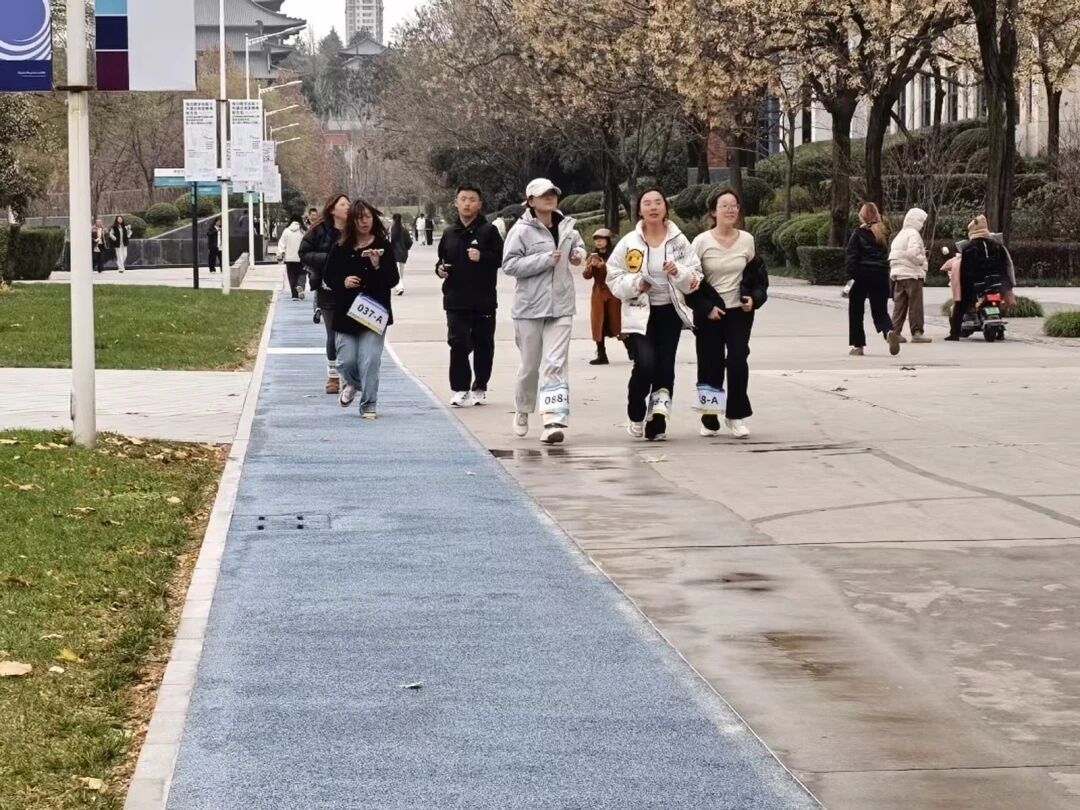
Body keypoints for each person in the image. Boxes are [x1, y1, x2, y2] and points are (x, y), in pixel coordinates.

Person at [606, 188, 702, 441]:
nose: (653, 207)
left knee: (665, 368)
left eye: (658, 202)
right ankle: (636, 411)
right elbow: (613, 277)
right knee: (646, 363)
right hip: (639, 313)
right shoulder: (629, 242)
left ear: (665, 208)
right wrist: (636, 283)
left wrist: (678, 272)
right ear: (640, 210)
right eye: (647, 203)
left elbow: (695, 276)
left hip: (670, 312)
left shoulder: (679, 241)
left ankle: (658, 421)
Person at [502, 178, 586, 444]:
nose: (549, 198)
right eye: (543, 194)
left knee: (555, 363)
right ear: (530, 201)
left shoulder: (567, 226)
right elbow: (510, 265)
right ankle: (523, 408)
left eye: (552, 193)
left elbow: (579, 248)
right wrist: (544, 260)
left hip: (561, 306)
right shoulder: (521, 231)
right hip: (529, 308)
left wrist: (578, 255)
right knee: (529, 367)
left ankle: (553, 419)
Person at [688, 188, 768, 440]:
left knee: (737, 361)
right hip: (710, 313)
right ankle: (710, 417)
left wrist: (754, 299)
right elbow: (689, 282)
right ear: (713, 211)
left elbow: (758, 279)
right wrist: (706, 308)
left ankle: (736, 415)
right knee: (710, 364)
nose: (730, 209)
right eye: (724, 205)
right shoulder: (701, 242)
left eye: (734, 205)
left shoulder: (747, 240)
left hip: (738, 313)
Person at [322, 198, 400, 420]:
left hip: (374, 312)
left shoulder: (383, 246)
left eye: (367, 217)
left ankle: (369, 404)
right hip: (347, 312)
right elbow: (329, 276)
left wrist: (377, 266)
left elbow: (392, 280)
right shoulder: (341, 247)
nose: (364, 221)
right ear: (351, 221)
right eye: (359, 218)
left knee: (370, 360)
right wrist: (343, 282)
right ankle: (353, 383)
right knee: (345, 361)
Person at [436, 185, 504, 407]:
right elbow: (441, 260)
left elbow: (501, 259)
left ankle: (480, 385)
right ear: (455, 203)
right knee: (458, 343)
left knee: (483, 344)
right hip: (455, 299)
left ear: (479, 204)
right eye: (463, 199)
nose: (467, 203)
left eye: (472, 199)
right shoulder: (449, 233)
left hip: (483, 299)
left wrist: (481, 256)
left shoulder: (489, 231)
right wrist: (440, 269)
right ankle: (460, 388)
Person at [300, 194, 351, 395]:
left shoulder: (355, 229)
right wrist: (328, 258)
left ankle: (350, 375)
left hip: (352, 290)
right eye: (343, 204)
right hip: (327, 289)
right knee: (333, 333)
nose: (348, 207)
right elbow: (304, 253)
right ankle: (333, 377)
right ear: (332, 209)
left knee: (350, 334)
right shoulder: (319, 230)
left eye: (349, 203)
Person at [847, 202, 901, 356]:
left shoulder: (857, 234)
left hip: (861, 275)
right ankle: (888, 330)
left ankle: (858, 345)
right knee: (880, 310)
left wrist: (850, 276)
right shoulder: (883, 234)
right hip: (880, 275)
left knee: (856, 311)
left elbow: (851, 258)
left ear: (862, 217)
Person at [948, 215, 1012, 340]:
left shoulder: (968, 248)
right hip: (996, 283)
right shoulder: (998, 246)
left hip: (977, 283)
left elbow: (965, 271)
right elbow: (1004, 266)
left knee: (960, 305)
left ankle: (954, 334)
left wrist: (962, 287)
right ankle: (1000, 332)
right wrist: (1007, 285)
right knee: (998, 301)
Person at [889, 207, 931, 343]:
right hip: (912, 273)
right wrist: (922, 260)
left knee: (899, 305)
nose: (922, 225)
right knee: (915, 305)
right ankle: (917, 332)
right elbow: (913, 253)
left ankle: (895, 332)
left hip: (898, 274)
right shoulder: (914, 234)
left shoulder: (900, 235)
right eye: (921, 221)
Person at [582, 227, 622, 365]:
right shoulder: (593, 256)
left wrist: (603, 267)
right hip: (598, 292)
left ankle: (632, 349)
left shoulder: (615, 255)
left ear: (608, 240)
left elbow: (619, 272)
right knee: (598, 323)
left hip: (613, 291)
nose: (599, 242)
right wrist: (590, 267)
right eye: (596, 240)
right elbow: (586, 276)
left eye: (601, 239)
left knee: (617, 322)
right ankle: (601, 353)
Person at [277, 219, 306, 300]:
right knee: (302, 274)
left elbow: (281, 243)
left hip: (289, 258)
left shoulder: (286, 231)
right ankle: (300, 286)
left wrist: (280, 253)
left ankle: (294, 294)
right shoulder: (303, 231)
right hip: (301, 257)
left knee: (291, 276)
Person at [390, 213, 413, 296]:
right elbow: (409, 242)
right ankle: (399, 287)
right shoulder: (404, 230)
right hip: (403, 254)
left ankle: (400, 287)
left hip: (393, 253)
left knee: (397, 272)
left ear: (393, 220)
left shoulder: (391, 230)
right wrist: (406, 248)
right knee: (400, 272)